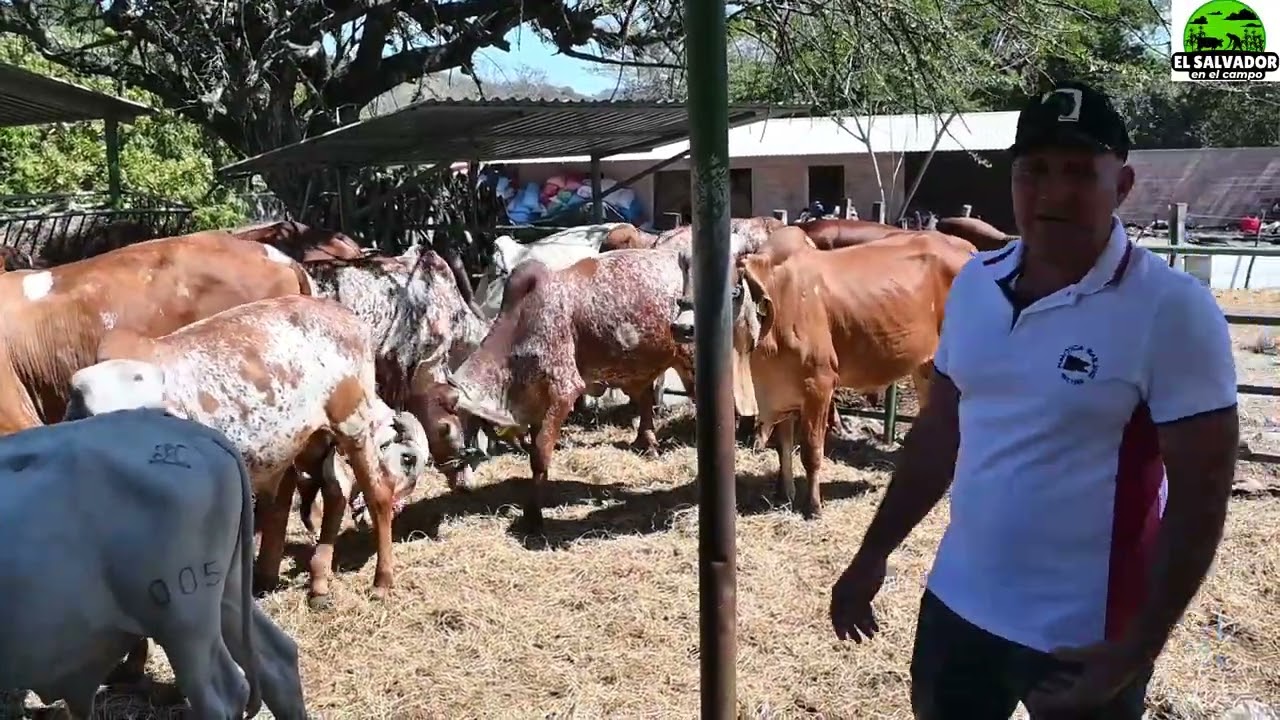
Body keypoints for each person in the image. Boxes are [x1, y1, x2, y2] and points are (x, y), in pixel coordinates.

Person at [829, 80, 1240, 720]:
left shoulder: (1171, 311)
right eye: (1035, 170)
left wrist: (1136, 647)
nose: (1053, 192)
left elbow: (1202, 489)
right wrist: (872, 553)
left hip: (1086, 631)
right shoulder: (976, 286)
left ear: (1122, 184)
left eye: (1080, 172)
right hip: (959, 604)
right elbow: (940, 432)